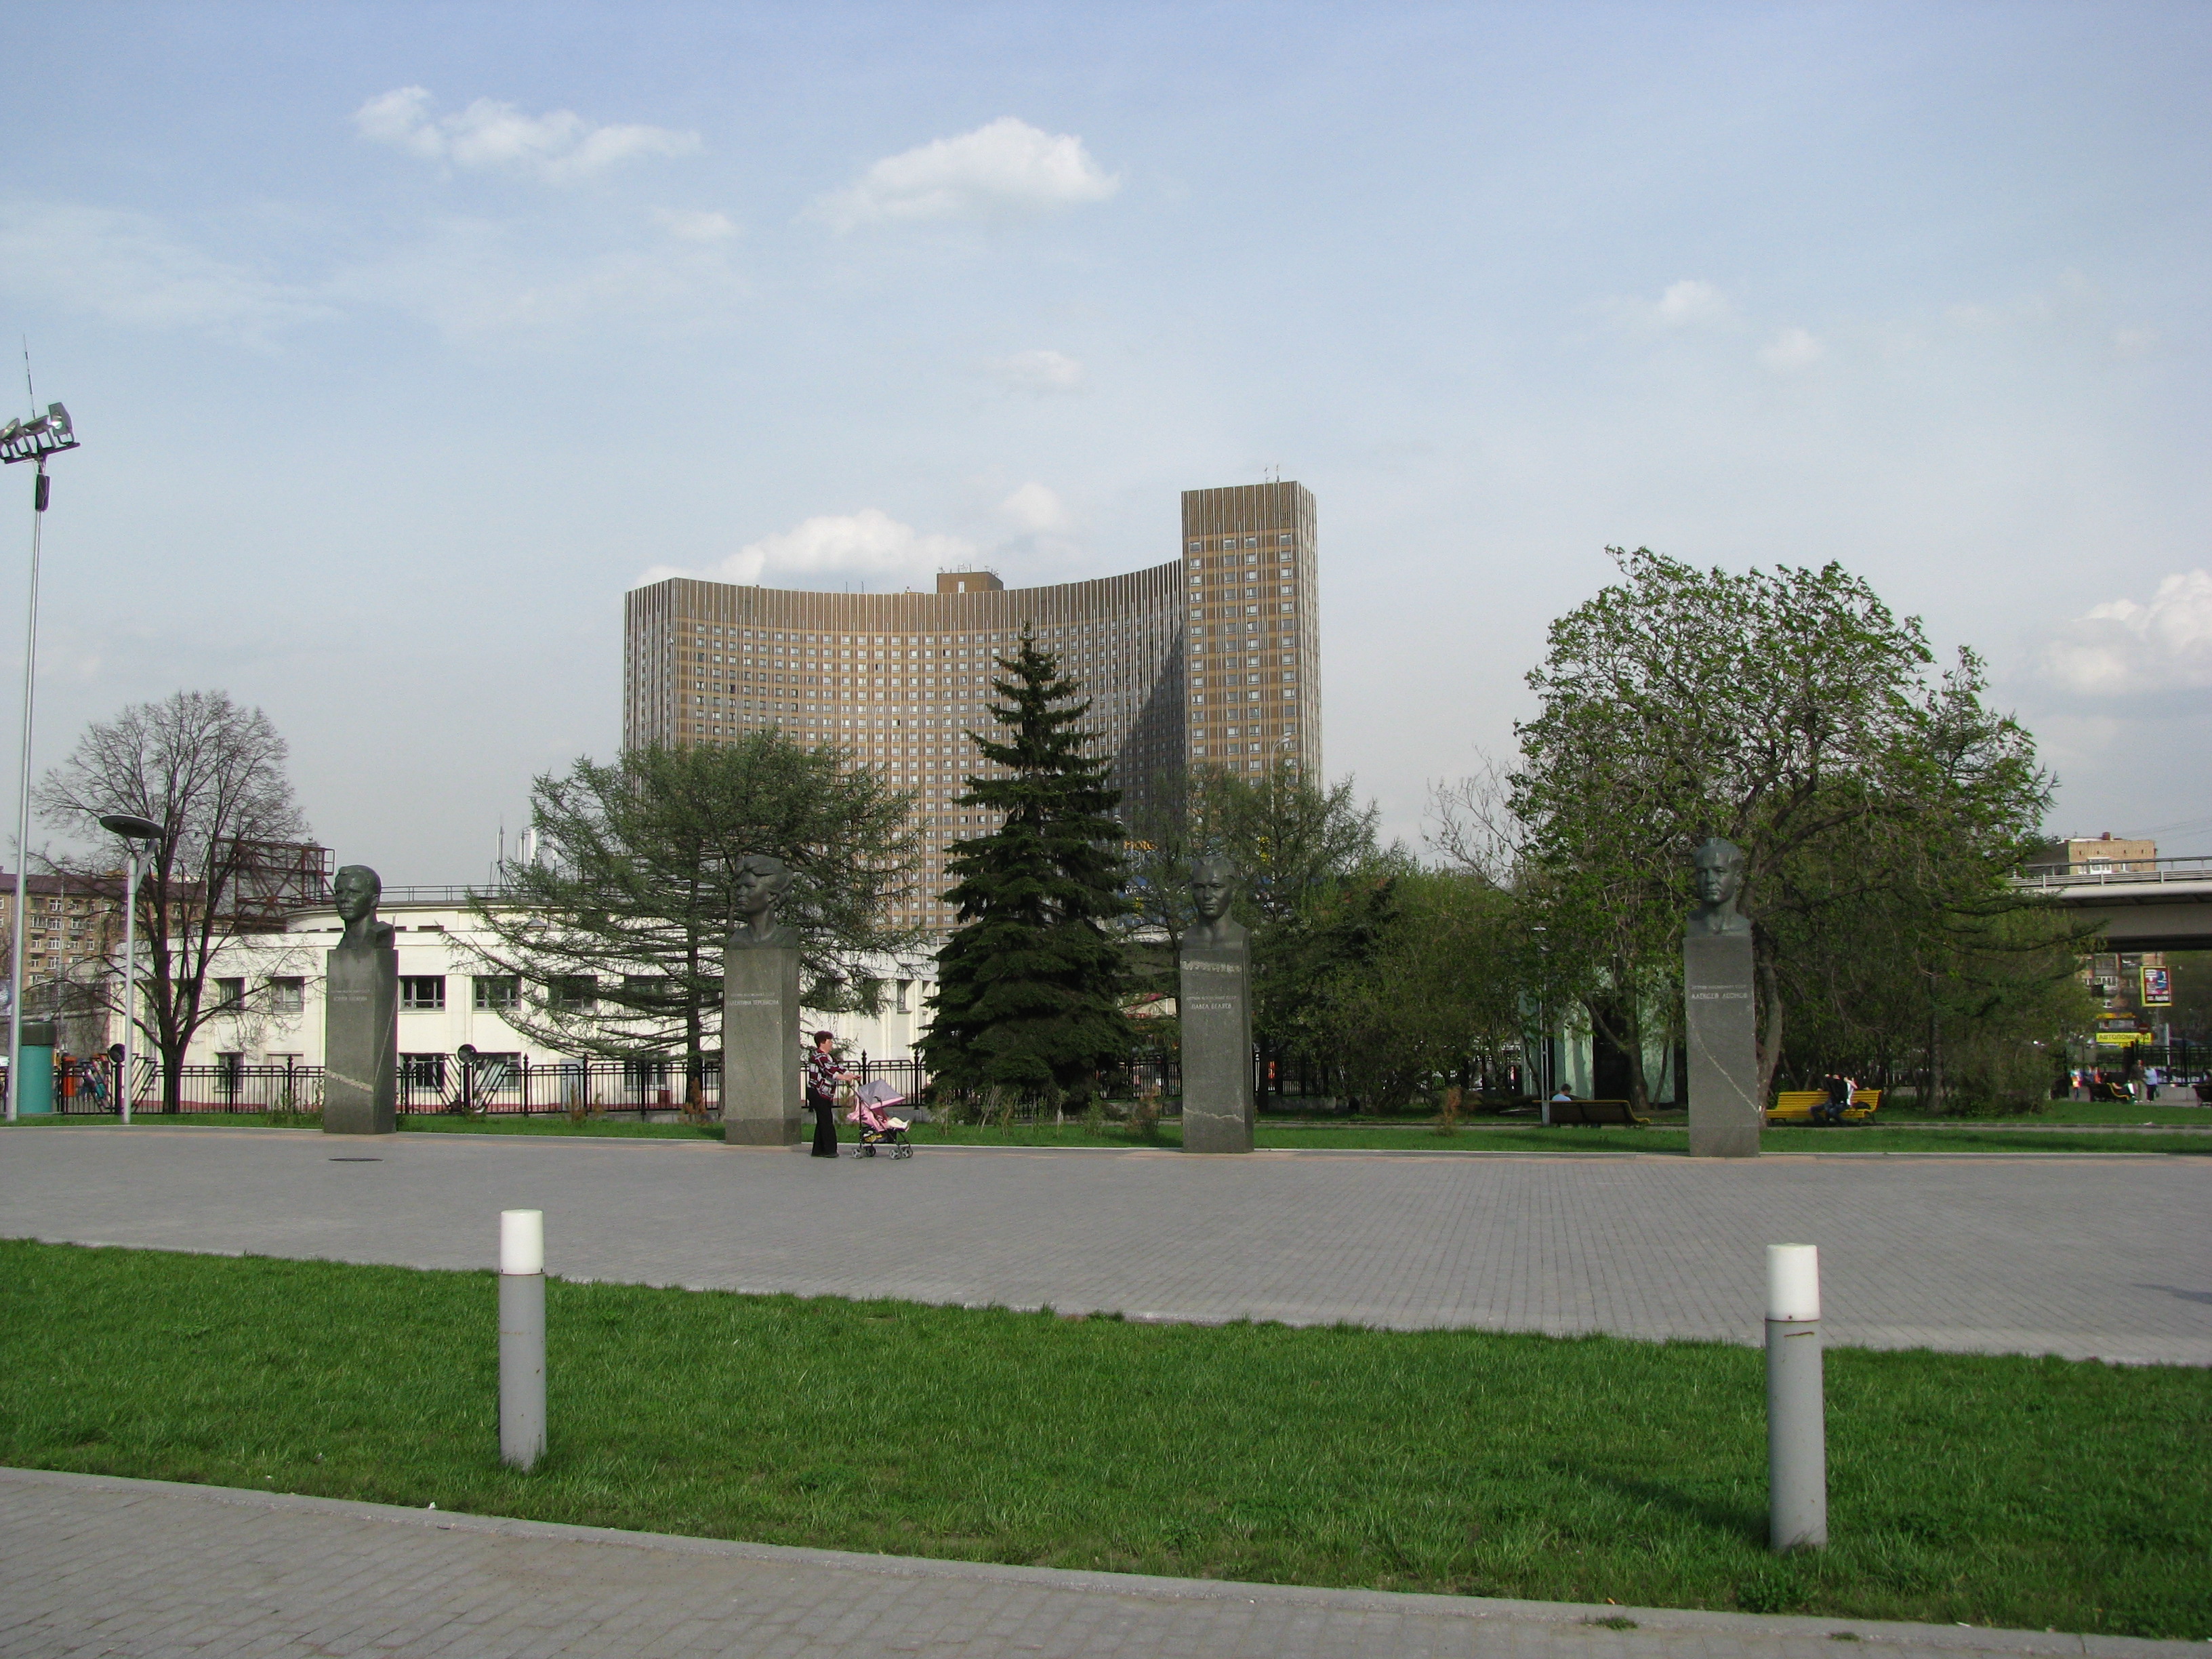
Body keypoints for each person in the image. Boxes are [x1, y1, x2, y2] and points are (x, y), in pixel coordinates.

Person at [804, 1029, 856, 1158]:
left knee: (823, 1120)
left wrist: (851, 1075)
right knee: (827, 1120)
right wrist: (844, 1078)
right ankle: (830, 1150)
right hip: (817, 1092)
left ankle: (818, 1150)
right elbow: (829, 1071)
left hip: (825, 1093)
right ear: (822, 1043)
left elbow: (839, 1068)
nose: (832, 1044)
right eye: (829, 1041)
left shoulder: (829, 1057)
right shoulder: (818, 1056)